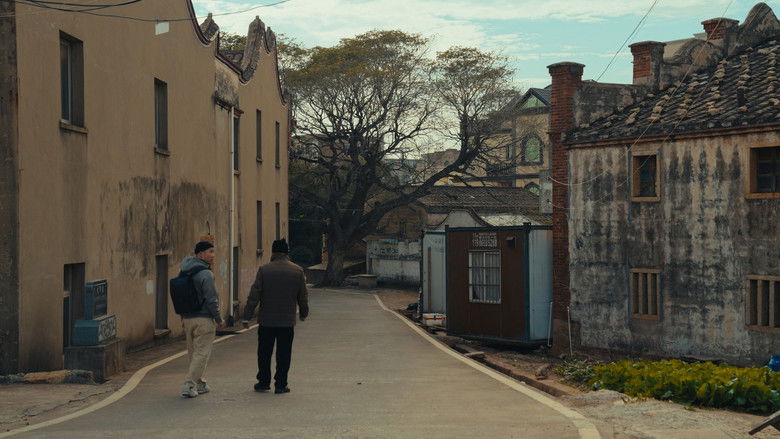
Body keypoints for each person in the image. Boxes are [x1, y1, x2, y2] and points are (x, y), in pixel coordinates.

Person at [242, 238, 309, 394]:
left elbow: (254, 295)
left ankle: (263, 381)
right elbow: (303, 297)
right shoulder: (297, 271)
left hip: (266, 321)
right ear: (287, 253)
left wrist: (246, 317)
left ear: (273, 252)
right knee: (284, 353)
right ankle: (281, 384)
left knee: (264, 352)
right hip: (287, 321)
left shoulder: (264, 270)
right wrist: (303, 313)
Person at [179, 241, 226, 398]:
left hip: (188, 318)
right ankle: (189, 384)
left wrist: (182, 317)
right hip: (204, 319)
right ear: (200, 254)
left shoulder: (184, 271)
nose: (213, 255)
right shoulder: (206, 274)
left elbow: (180, 297)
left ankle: (200, 384)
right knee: (201, 354)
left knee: (194, 353)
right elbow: (211, 299)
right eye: (210, 251)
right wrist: (219, 319)